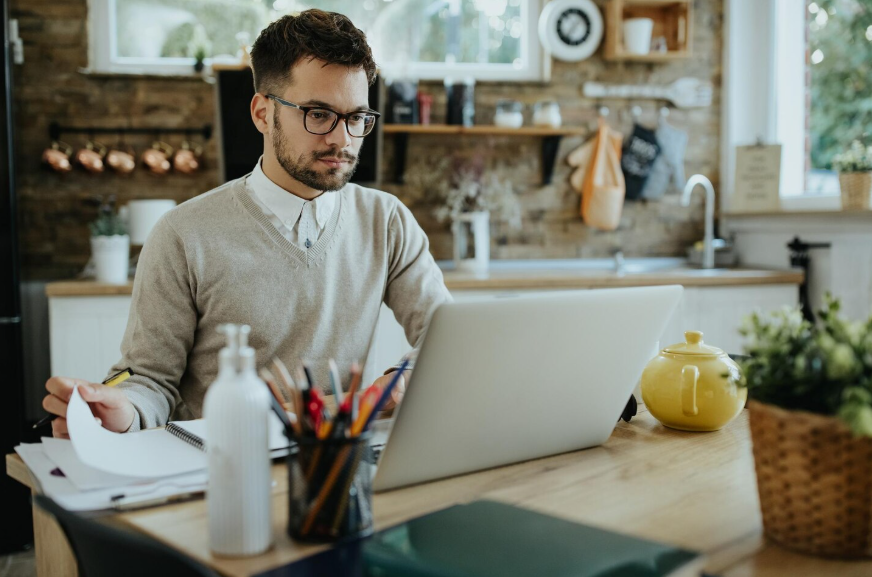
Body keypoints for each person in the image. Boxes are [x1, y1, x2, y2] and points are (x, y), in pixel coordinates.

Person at [42, 9, 451, 439]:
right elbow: (147, 380)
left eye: (356, 118)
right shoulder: (182, 234)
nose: (342, 139)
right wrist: (119, 410)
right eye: (318, 114)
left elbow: (447, 340)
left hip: (334, 463)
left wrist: (399, 378)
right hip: (219, 468)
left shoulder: (386, 222)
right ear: (262, 113)